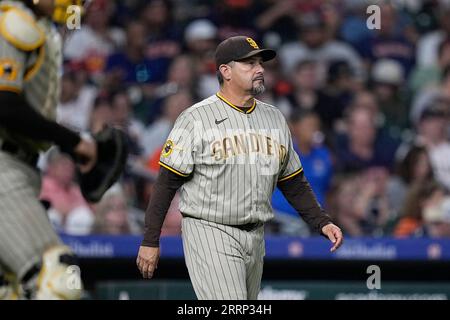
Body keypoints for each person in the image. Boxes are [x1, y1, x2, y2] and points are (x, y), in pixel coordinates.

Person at [136, 36, 343, 300]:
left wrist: (322, 222)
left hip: (256, 236)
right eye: (249, 63)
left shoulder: (275, 117)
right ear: (225, 71)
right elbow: (166, 183)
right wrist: (151, 239)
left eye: (260, 63)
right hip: (210, 230)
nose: (259, 69)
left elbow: (292, 181)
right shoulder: (195, 118)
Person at [0, 0, 96, 299]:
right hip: (3, 167)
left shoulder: (37, 24)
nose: (76, 4)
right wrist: (73, 140)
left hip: (19, 165)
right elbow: (4, 106)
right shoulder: (13, 19)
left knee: (13, 290)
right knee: (56, 277)